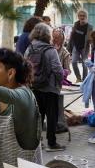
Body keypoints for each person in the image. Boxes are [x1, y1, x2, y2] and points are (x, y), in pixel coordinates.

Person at [26, 23, 65, 152]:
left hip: (35, 87)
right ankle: (51, 143)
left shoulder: (29, 49)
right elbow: (58, 70)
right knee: (52, 116)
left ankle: (37, 142)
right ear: (47, 35)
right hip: (50, 88)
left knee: (38, 116)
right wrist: (59, 84)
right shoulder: (50, 50)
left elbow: (25, 67)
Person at [67, 9, 93, 82]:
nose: (82, 17)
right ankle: (78, 78)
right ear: (78, 16)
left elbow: (90, 38)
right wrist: (69, 46)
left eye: (83, 16)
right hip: (76, 47)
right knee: (73, 62)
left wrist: (93, 47)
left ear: (86, 17)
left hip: (84, 48)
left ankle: (84, 79)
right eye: (80, 16)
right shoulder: (76, 24)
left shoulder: (89, 27)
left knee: (84, 64)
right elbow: (72, 35)